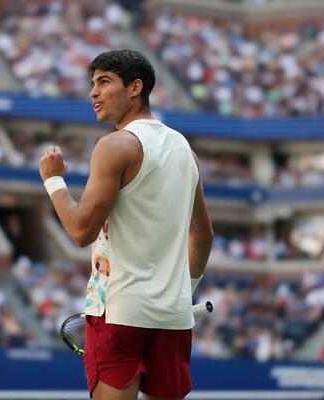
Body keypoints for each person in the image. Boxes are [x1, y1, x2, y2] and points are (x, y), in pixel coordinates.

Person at [39, 49, 213, 400]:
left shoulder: (115, 146)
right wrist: (183, 288)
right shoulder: (186, 152)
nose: (93, 93)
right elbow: (204, 235)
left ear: (135, 88)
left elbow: (80, 231)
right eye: (92, 84)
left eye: (104, 82)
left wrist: (54, 181)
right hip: (173, 318)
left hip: (119, 314)